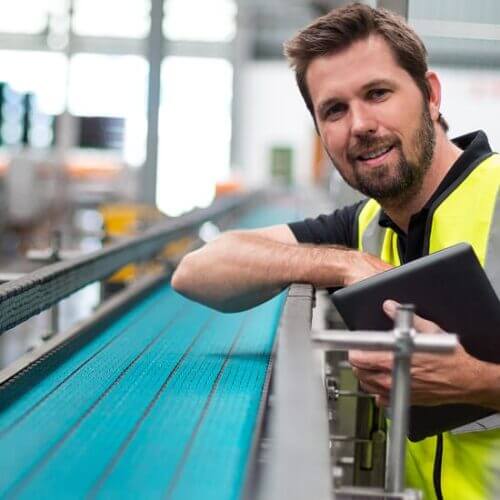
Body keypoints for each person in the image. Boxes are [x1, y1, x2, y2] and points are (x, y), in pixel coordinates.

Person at [172, 3, 500, 499]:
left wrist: (478, 382)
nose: (360, 124)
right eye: (335, 110)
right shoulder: (365, 226)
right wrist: (342, 261)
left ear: (431, 96)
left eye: (378, 93)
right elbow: (198, 270)